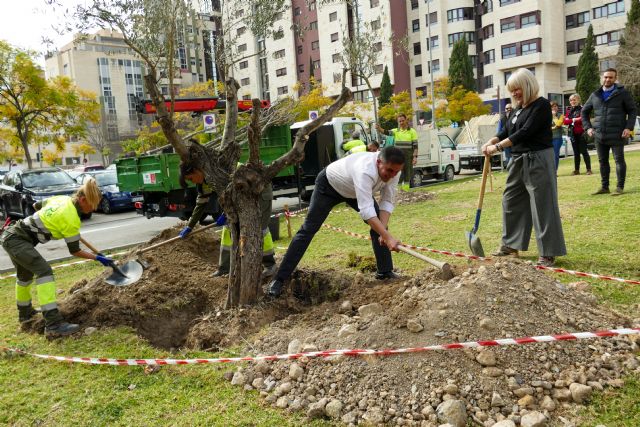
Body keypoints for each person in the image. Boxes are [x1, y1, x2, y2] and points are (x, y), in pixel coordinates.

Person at [267, 146, 405, 298]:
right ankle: (279, 280)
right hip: (329, 186)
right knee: (308, 230)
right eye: (389, 171)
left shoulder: (394, 171)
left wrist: (383, 232)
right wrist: (386, 236)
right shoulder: (365, 170)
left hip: (353, 191)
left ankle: (384, 272)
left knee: (379, 226)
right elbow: (366, 211)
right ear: (379, 162)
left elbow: (387, 200)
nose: (392, 175)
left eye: (396, 172)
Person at [0, 179, 111, 336]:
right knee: (45, 273)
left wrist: (51, 220)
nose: (93, 208)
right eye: (92, 204)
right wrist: (98, 258)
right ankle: (53, 324)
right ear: (83, 199)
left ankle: (25, 314)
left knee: (24, 276)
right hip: (18, 240)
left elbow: (36, 206)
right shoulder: (71, 219)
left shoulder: (62, 199)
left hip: (11, 235)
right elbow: (75, 251)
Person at [481, 68, 566, 267]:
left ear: (527, 85)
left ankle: (548, 252)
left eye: (517, 89)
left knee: (542, 204)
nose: (515, 93)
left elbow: (525, 133)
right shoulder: (518, 109)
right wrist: (491, 141)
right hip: (518, 160)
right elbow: (506, 131)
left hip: (538, 159)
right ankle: (511, 245)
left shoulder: (541, 105)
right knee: (510, 200)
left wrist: (498, 147)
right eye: (512, 90)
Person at [178, 161, 276, 278]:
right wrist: (190, 226)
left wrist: (225, 214)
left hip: (259, 192)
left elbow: (233, 193)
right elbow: (201, 202)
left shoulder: (220, 171)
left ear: (196, 170)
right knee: (227, 230)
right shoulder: (205, 180)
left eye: (191, 178)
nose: (193, 182)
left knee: (258, 229)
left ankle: (270, 265)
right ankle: (224, 268)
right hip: (241, 197)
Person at [582, 68, 638, 196]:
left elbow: (632, 111)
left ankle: (619, 187)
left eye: (611, 77)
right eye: (606, 77)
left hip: (618, 134)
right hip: (599, 135)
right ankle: (604, 187)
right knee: (603, 161)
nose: (608, 79)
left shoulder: (622, 93)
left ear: (615, 78)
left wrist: (628, 128)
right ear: (602, 77)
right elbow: (584, 111)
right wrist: (588, 128)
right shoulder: (595, 94)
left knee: (619, 160)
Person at [375, 114, 418, 185]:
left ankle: (406, 191)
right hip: (398, 157)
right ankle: (398, 191)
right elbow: (386, 132)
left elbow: (415, 146)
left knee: (408, 174)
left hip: (408, 156)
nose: (401, 123)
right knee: (398, 174)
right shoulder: (395, 131)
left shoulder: (412, 131)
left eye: (403, 121)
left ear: (406, 120)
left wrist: (415, 157)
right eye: (399, 121)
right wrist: (379, 128)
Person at [563, 94, 591, 175]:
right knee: (576, 152)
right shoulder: (569, 110)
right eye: (571, 100)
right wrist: (575, 119)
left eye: (574, 100)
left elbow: (583, 119)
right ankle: (577, 170)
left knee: (584, 151)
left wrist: (571, 120)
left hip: (581, 133)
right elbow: (565, 122)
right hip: (572, 134)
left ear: (578, 100)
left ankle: (588, 169)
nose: (572, 102)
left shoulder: (583, 109)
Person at [550, 101, 565, 171]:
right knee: (549, 156)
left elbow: (558, 124)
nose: (554, 108)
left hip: (557, 138)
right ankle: (550, 171)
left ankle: (554, 171)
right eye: (552, 107)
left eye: (555, 106)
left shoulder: (561, 115)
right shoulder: (547, 116)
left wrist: (554, 116)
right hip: (549, 138)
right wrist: (553, 127)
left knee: (555, 155)